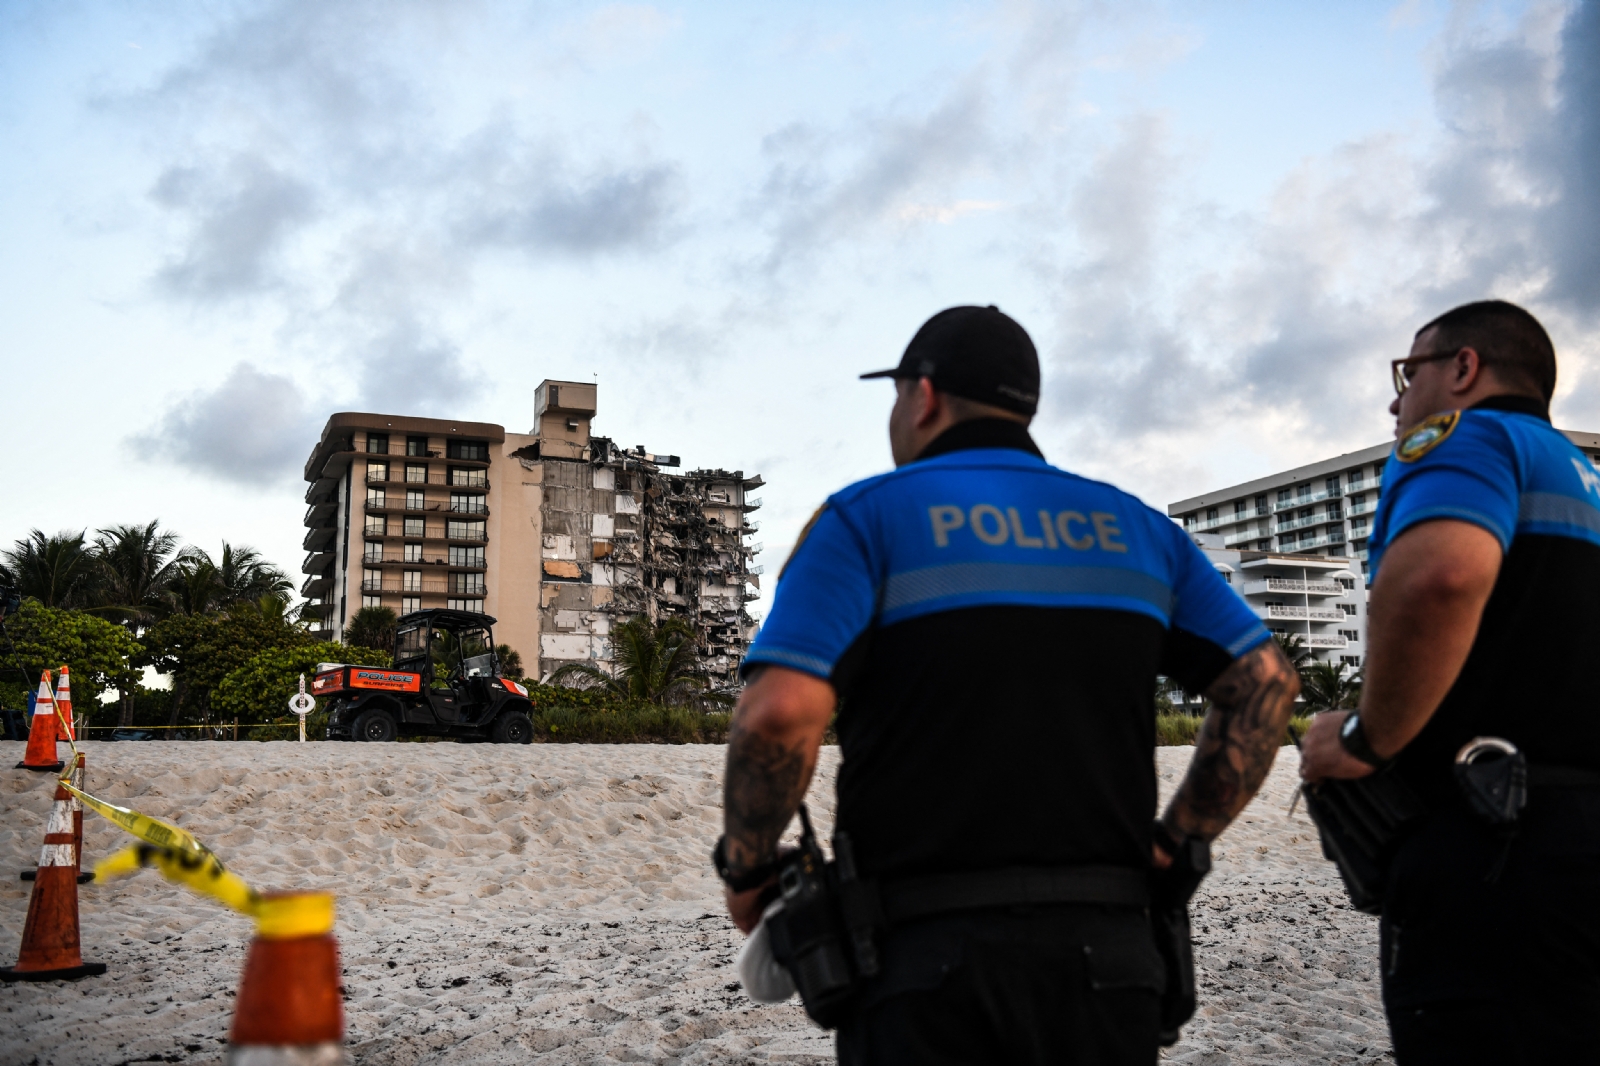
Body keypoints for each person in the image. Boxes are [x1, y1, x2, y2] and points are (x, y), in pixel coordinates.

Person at [715, 305, 1300, 1064]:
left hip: (922, 963)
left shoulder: (866, 519)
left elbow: (779, 713)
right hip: (1111, 957)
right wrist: (1178, 840)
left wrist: (748, 865)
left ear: (923, 396)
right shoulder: (1138, 531)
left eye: (896, 396)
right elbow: (1266, 686)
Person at [1299, 300, 1600, 1064]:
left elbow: (1438, 577)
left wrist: (1368, 738)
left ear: (1464, 368)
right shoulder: (1585, 479)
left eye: (1408, 374)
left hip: (1494, 848)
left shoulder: (1470, 438)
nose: (1396, 401)